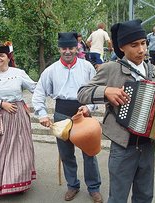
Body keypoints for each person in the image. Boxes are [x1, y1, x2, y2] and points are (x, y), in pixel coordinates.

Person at [77, 19, 155, 203]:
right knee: (118, 197)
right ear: (122, 47)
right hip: (123, 146)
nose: (141, 50)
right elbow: (82, 93)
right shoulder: (110, 69)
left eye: (143, 43)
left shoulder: (154, 71)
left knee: (145, 195)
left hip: (148, 145)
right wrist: (106, 91)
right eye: (134, 45)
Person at [32, 32, 103, 203]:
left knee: (89, 153)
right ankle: (73, 185)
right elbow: (38, 93)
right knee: (66, 154)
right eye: (64, 48)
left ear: (76, 48)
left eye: (71, 48)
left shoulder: (87, 67)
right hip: (62, 114)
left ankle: (94, 188)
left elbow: (95, 92)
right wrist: (42, 114)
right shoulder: (51, 70)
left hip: (83, 113)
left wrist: (89, 106)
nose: (68, 51)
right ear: (59, 49)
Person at [0, 41, 36, 195]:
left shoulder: (18, 73)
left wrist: (50, 86)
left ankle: (17, 182)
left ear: (8, 57)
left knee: (18, 149)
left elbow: (35, 88)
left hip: (17, 117)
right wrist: (1, 104)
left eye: (2, 55)